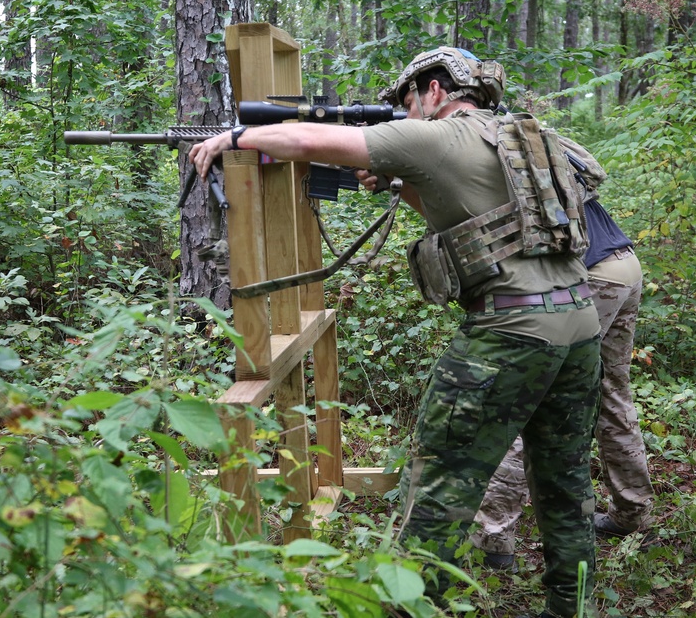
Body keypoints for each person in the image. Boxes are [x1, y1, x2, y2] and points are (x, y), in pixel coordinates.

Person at [190, 47, 602, 618]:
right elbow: (466, 214)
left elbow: (304, 142)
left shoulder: (434, 136)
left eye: (406, 102)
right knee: (566, 482)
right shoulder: (512, 137)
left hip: (512, 330)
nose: (404, 115)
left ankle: (413, 608)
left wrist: (231, 141)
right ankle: (571, 605)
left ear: (434, 91)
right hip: (578, 324)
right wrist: (391, 182)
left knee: (440, 487)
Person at [471, 182, 655, 568]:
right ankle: (633, 511)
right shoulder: (536, 147)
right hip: (623, 264)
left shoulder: (492, 152)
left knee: (529, 395)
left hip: (592, 277)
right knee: (612, 390)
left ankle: (494, 537)